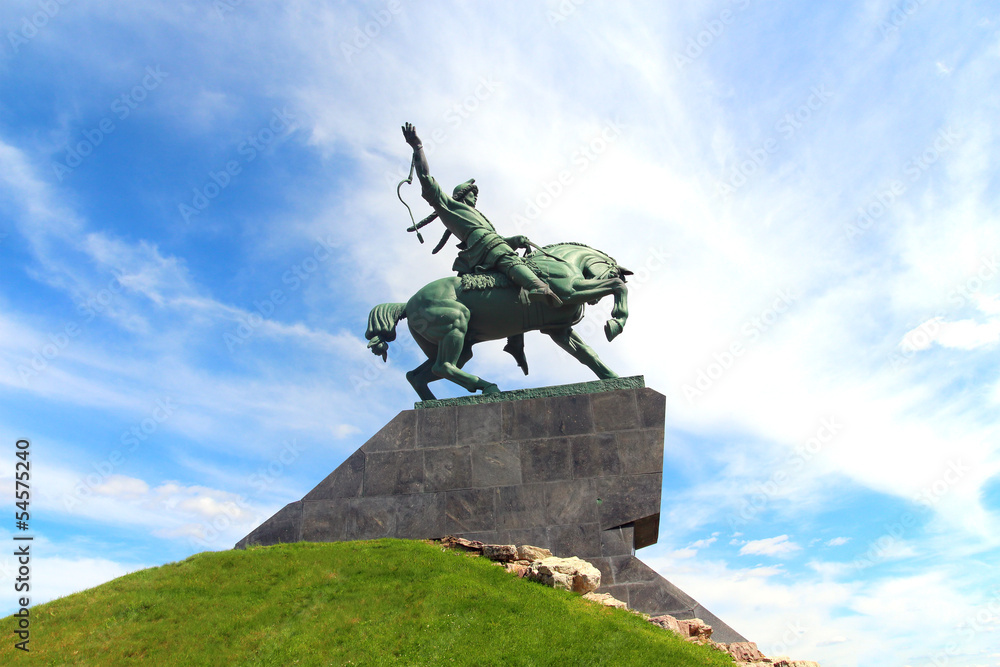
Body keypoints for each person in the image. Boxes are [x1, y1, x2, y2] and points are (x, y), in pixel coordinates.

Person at [401, 122, 562, 307]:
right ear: (462, 195)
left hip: (491, 247)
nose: (475, 197)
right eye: (472, 193)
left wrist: (514, 240)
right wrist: (418, 147)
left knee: (510, 262)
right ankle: (537, 287)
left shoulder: (478, 216)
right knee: (506, 257)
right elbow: (426, 179)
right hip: (483, 248)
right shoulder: (450, 206)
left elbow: (496, 240)